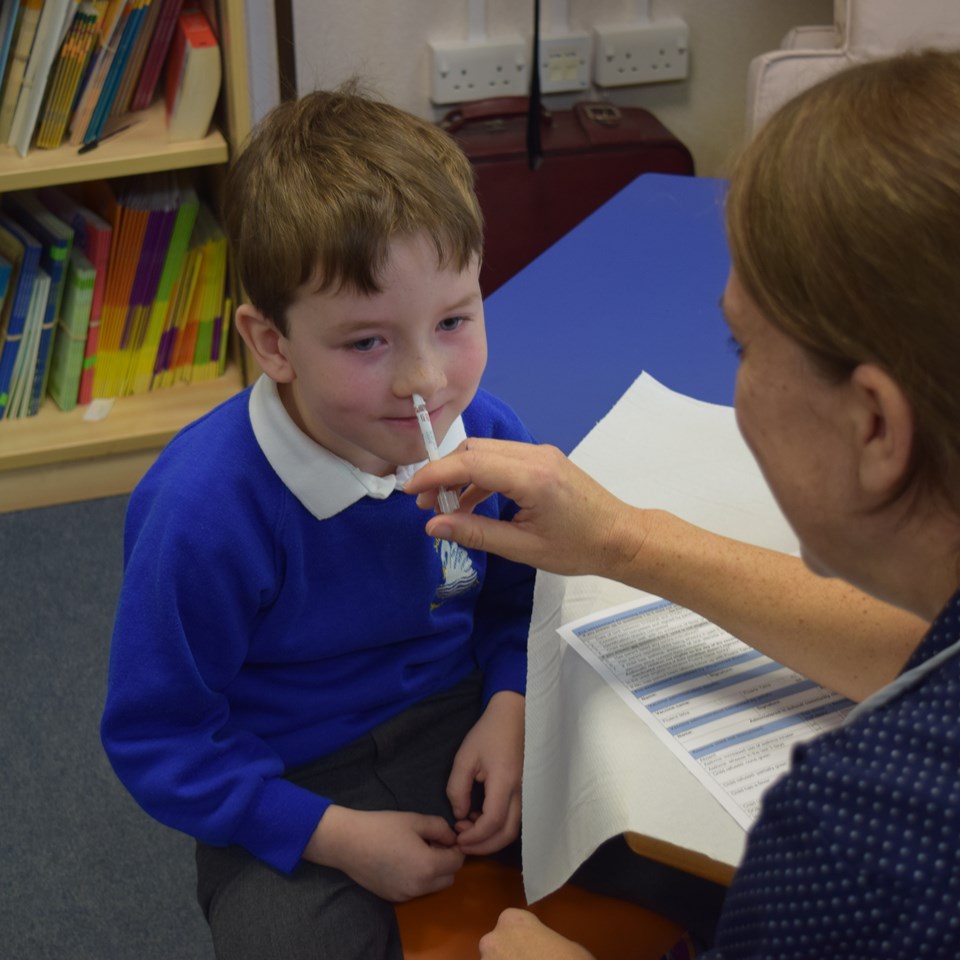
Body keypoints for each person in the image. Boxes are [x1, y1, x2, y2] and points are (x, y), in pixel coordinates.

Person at [407, 48, 960, 958]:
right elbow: (918, 647)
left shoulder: (853, 841)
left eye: (743, 350)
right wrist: (625, 541)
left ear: (875, 427)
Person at [100, 87, 537, 960]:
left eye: (454, 320)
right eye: (367, 342)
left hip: (464, 719)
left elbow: (521, 607)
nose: (425, 380)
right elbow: (161, 735)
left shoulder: (485, 436)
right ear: (271, 345)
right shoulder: (202, 510)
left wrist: (511, 704)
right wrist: (330, 834)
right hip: (290, 776)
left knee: (652, 846)